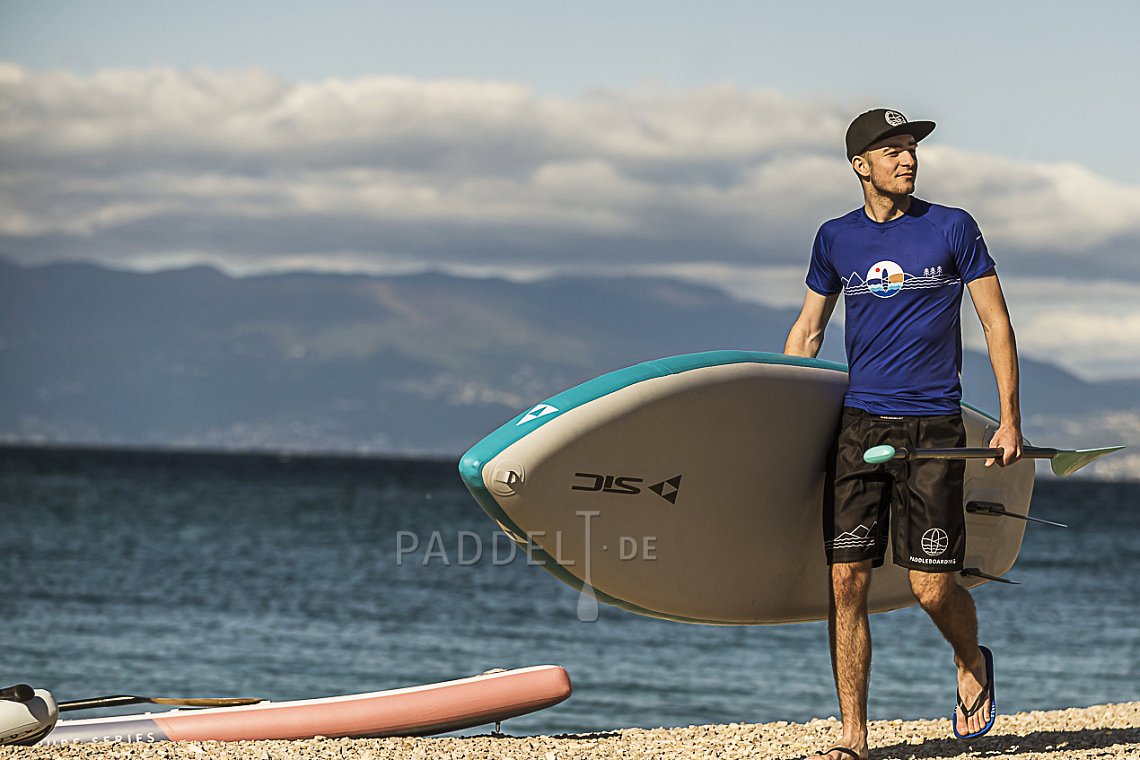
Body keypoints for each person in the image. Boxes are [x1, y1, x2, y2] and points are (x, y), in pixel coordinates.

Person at [784, 108, 1023, 760]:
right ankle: (853, 738)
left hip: (933, 425)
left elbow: (996, 324)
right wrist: (775, 419)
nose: (907, 159)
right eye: (891, 150)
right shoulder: (835, 238)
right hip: (860, 423)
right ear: (860, 165)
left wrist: (1009, 420)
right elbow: (807, 332)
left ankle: (971, 657)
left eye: (911, 148)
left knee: (930, 586)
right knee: (846, 582)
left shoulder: (952, 227)